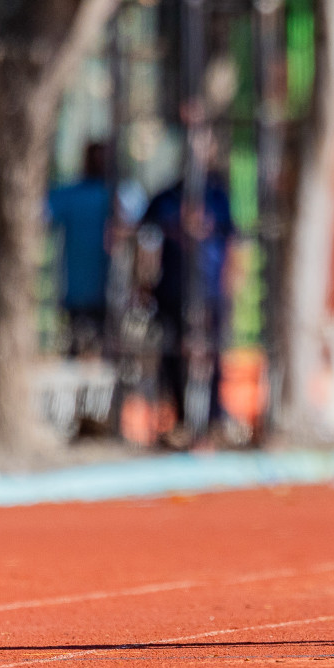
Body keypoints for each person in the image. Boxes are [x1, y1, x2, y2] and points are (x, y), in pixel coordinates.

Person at [140, 140, 238, 446]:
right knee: (174, 353)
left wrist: (232, 284)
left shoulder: (218, 197)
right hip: (171, 289)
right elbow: (144, 243)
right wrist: (142, 283)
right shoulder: (164, 198)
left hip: (210, 290)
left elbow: (233, 243)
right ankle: (180, 420)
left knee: (212, 353)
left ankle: (213, 420)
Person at [47, 143, 113, 358]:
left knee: (106, 352)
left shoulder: (118, 196)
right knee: (75, 348)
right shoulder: (72, 195)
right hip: (76, 291)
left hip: (110, 293)